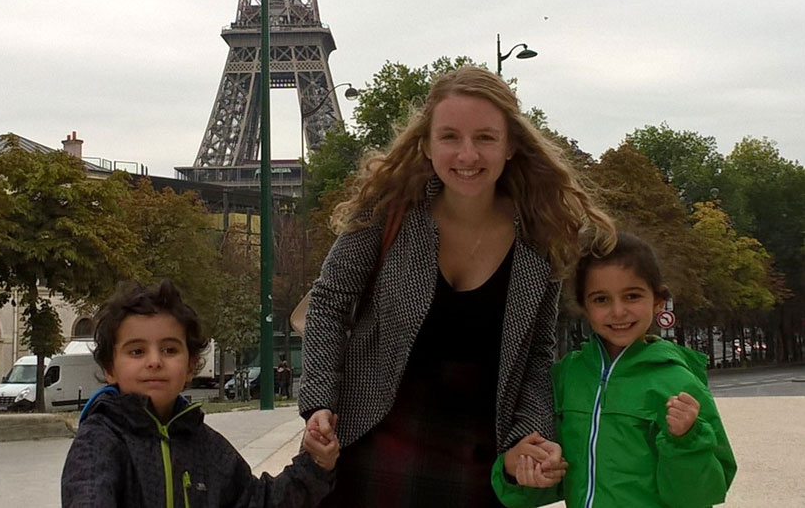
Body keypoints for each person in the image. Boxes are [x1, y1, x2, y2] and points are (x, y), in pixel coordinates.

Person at [298, 66, 615, 507]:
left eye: (485, 137)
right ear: (427, 145)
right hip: (368, 455)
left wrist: (531, 434)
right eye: (450, 137)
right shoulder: (388, 212)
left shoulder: (539, 240)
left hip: (476, 468)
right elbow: (329, 304)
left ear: (511, 147)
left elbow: (536, 354)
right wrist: (318, 402)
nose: (467, 155)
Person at [491, 232, 737, 507]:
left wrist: (686, 442)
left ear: (658, 301)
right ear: (584, 307)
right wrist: (515, 470)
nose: (618, 311)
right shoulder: (566, 376)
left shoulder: (680, 382)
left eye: (632, 296)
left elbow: (702, 495)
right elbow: (549, 479)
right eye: (601, 299)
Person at [61, 279, 339, 507]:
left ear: (191, 366)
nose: (154, 361)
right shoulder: (99, 442)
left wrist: (315, 464)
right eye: (137, 351)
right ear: (110, 368)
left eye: (170, 349)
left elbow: (260, 501)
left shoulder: (207, 446)